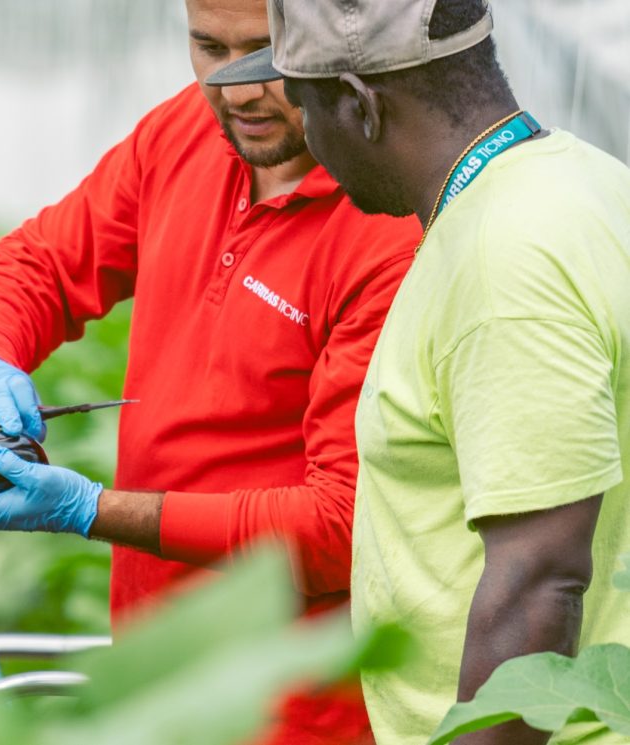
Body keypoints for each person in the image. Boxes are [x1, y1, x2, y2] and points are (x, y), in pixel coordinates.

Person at [0, 0, 421, 740]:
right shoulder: (184, 133)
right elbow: (44, 263)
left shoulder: (389, 227)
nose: (236, 88)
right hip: (151, 667)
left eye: (266, 53)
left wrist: (90, 508)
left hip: (291, 702)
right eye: (208, 46)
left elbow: (339, 527)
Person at [209, 0, 630, 743]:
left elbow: (541, 582)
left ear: (361, 105)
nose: (307, 135)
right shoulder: (591, 182)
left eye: (306, 104)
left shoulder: (505, 258)